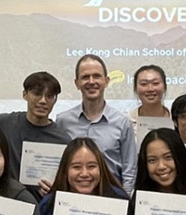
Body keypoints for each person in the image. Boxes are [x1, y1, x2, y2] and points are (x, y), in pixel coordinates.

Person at [57, 54, 137, 194]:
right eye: (85, 77)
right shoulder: (63, 121)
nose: (91, 81)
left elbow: (129, 171)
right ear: (77, 83)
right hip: (72, 199)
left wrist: (126, 203)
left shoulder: (122, 122)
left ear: (106, 81)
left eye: (97, 76)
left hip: (111, 198)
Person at [0, 71, 71, 199]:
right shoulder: (4, 123)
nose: (43, 101)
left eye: (49, 96)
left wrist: (55, 190)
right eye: (37, 94)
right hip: (3, 203)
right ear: (25, 94)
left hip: (40, 211)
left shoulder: (63, 140)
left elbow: (66, 185)